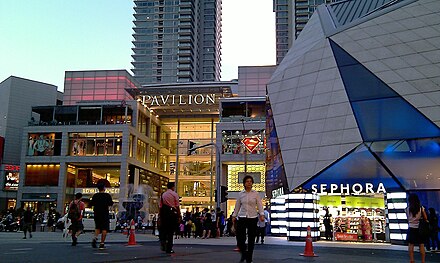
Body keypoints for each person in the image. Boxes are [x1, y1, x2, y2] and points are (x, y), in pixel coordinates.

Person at [232, 175, 264, 263]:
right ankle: (244, 254)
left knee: (251, 239)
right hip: (242, 217)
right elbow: (237, 205)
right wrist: (234, 216)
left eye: (250, 181)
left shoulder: (255, 194)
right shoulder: (241, 194)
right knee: (240, 239)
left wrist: (261, 214)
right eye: (247, 181)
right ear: (244, 183)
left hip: (252, 218)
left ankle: (249, 259)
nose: (249, 183)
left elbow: (259, 205)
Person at [90, 181, 114, 249]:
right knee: (104, 228)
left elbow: (91, 203)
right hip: (104, 213)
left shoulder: (95, 195)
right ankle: (102, 243)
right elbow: (110, 203)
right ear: (104, 188)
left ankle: (95, 238)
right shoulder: (107, 195)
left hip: (97, 213)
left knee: (97, 227)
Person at [159, 182, 180, 254]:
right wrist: (179, 215)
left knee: (164, 230)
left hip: (164, 213)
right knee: (171, 231)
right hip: (172, 213)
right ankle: (169, 248)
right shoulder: (174, 194)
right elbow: (177, 206)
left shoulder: (163, 195)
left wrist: (160, 216)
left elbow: (160, 206)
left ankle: (163, 242)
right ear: (172, 187)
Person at [406, 193, 428, 263]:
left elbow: (408, 219)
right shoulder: (421, 208)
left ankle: (412, 260)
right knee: (421, 244)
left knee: (411, 245)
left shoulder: (407, 209)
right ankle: (423, 261)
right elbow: (425, 218)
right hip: (419, 229)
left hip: (411, 228)